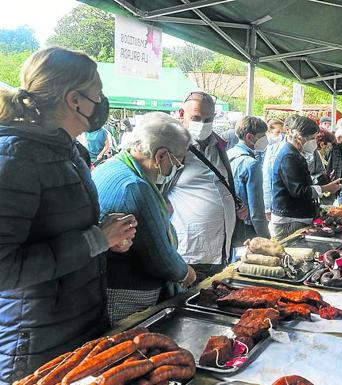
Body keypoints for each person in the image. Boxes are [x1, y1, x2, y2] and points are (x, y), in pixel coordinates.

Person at [0, 47, 136, 382]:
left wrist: (107, 240)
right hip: (35, 342)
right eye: (98, 94)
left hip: (81, 327)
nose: (102, 101)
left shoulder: (71, 152)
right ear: (75, 100)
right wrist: (96, 239)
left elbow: (65, 233)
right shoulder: (16, 158)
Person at [92, 112, 195, 325]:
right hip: (127, 296)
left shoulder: (112, 166)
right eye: (179, 159)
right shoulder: (134, 187)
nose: (179, 165)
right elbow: (160, 258)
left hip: (104, 287)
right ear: (160, 156)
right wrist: (186, 274)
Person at [166, 91, 246, 282]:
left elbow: (221, 183)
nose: (202, 124)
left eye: (207, 119)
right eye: (196, 118)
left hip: (222, 250)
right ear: (181, 114)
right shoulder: (173, 148)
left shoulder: (218, 145)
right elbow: (157, 195)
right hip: (191, 254)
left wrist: (234, 203)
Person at [270, 116, 342, 240]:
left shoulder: (295, 153)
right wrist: (326, 188)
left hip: (296, 215)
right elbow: (298, 191)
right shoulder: (289, 156)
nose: (313, 142)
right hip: (290, 219)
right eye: (310, 138)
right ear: (299, 137)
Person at [227, 116, 270, 239]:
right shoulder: (251, 164)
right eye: (262, 136)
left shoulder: (228, 154)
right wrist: (265, 237)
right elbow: (256, 208)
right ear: (250, 137)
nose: (265, 139)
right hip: (247, 228)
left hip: (230, 222)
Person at [263, 115, 296, 224]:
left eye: (282, 133)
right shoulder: (272, 149)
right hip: (277, 205)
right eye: (277, 132)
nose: (280, 135)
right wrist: (267, 207)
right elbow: (266, 179)